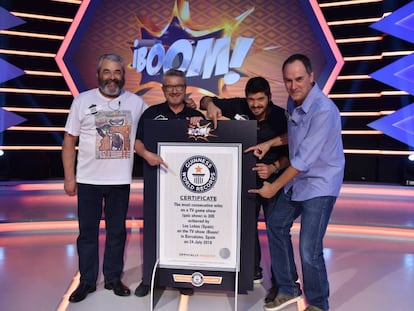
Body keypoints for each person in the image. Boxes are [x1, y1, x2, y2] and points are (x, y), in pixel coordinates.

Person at [248, 54, 345, 311]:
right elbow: (294, 135)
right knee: (276, 224)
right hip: (300, 180)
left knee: (308, 249)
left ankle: (318, 303)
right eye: (288, 80)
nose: (293, 86)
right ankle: (289, 288)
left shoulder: (324, 110)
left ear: (312, 77)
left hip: (321, 182)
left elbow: (302, 161)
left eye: (299, 79)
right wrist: (269, 143)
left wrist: (273, 187)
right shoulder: (293, 102)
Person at [61, 53, 147, 303]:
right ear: (99, 74)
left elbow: (157, 122)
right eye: (107, 72)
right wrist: (69, 177)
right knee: (87, 233)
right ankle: (87, 281)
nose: (112, 77)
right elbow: (69, 141)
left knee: (117, 232)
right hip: (88, 180)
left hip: (120, 181)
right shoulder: (82, 101)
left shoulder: (136, 103)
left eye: (117, 72)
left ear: (123, 75)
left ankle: (112, 278)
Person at [199, 77, 289, 303]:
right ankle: (253, 270)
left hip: (273, 178)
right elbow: (204, 100)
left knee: (276, 230)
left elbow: (295, 152)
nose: (256, 105)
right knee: (246, 225)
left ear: (269, 97)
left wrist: (273, 167)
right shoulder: (238, 105)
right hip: (245, 178)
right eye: (251, 100)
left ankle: (283, 282)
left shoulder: (281, 116)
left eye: (260, 99)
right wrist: (210, 105)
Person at [134, 68, 205, 297]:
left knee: (182, 231)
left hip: (185, 187)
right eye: (170, 86)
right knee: (154, 231)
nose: (174, 91)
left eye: (179, 86)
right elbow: (137, 142)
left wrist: (200, 123)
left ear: (185, 89)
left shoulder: (195, 116)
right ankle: (150, 278)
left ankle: (182, 278)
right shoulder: (151, 113)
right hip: (157, 182)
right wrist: (146, 155)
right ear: (163, 89)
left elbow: (209, 145)